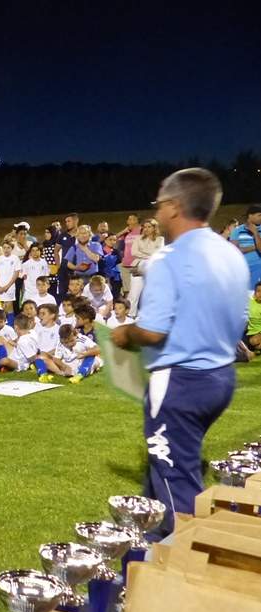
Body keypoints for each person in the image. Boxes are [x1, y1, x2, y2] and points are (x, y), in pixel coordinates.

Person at [111, 168, 250, 537]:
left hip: (179, 382)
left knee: (175, 479)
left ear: (174, 207)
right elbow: (241, 324)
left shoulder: (167, 259)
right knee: (166, 463)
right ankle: (152, 542)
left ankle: (184, 572)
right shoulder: (230, 254)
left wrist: (126, 333)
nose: (156, 212)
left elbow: (154, 332)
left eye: (158, 204)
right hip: (220, 377)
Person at [127, 217, 164, 316]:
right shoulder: (138, 238)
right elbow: (134, 252)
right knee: (134, 293)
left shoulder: (160, 239)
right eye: (144, 227)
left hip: (154, 267)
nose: (146, 229)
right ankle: (131, 315)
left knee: (152, 294)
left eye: (149, 227)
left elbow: (159, 253)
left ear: (154, 228)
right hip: (138, 265)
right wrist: (149, 255)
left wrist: (144, 253)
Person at [230, 205, 261, 287]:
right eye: (259, 215)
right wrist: (255, 247)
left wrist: (255, 232)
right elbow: (234, 251)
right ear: (250, 215)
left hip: (259, 267)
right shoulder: (237, 231)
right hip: (242, 267)